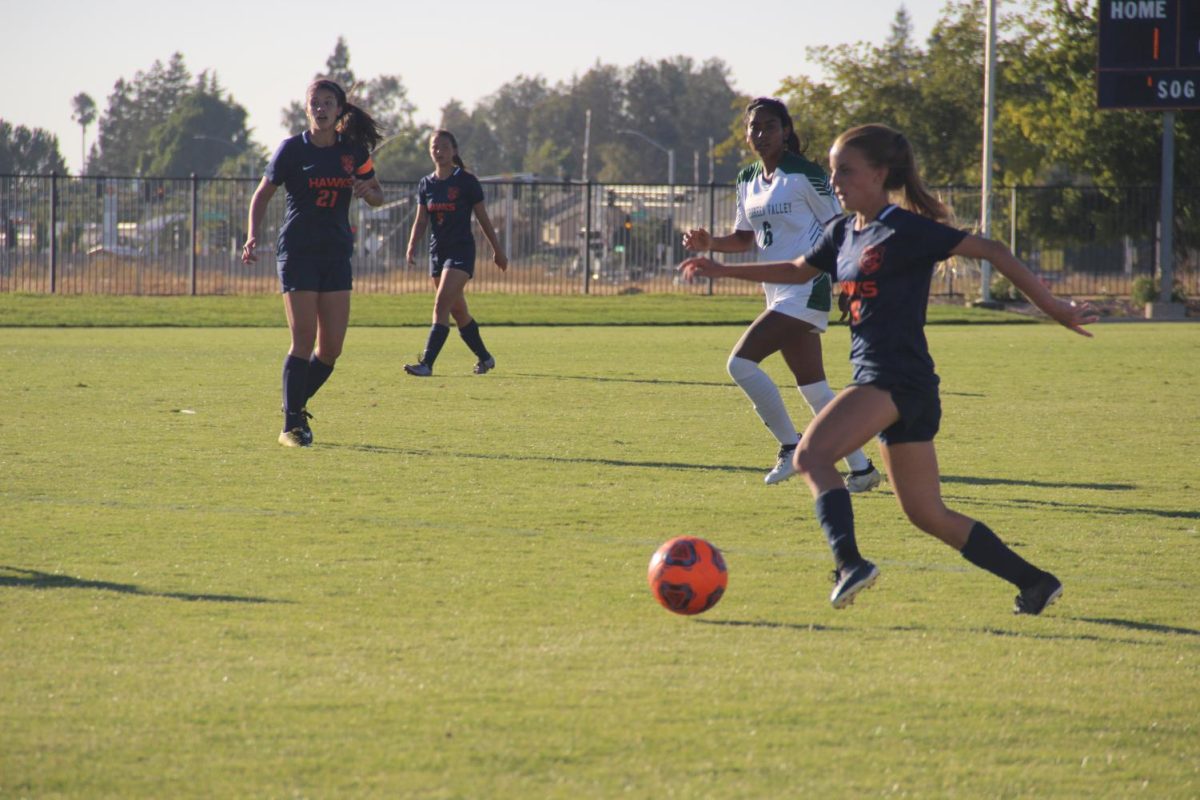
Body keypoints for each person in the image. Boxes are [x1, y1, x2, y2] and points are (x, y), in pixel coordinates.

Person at [681, 123, 1098, 614]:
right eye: (834, 171)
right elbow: (797, 271)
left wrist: (1054, 308)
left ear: (880, 173)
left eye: (846, 171)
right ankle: (1035, 581)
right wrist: (723, 268)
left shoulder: (905, 229)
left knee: (811, 457)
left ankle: (850, 564)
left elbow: (992, 250)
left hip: (893, 379)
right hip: (903, 385)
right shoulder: (841, 232)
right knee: (926, 513)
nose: (836, 180)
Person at [682, 98, 881, 490]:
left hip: (808, 286)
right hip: (776, 290)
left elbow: (840, 229)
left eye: (769, 126)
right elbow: (744, 240)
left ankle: (791, 446)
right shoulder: (746, 179)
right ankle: (862, 469)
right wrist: (710, 242)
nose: (760, 134)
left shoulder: (805, 174)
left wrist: (848, 282)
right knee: (814, 388)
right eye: (754, 128)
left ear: (786, 130)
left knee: (739, 365)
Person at [242, 78, 385, 447]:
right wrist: (252, 234)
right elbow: (262, 195)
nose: (321, 108)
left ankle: (294, 406)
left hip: (336, 252)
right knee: (303, 339)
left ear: (340, 110)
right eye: (315, 102)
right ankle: (292, 425)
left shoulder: (353, 151)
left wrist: (369, 191)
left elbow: (377, 196)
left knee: (331, 349)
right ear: (307, 109)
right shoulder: (292, 149)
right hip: (298, 251)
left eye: (328, 102)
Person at [404, 130, 508, 376]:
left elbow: (483, 218)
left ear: (454, 151)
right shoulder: (426, 184)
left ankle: (427, 363)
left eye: (444, 147)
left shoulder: (466, 181)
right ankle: (485, 358)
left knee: (441, 304)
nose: (439, 152)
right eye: (434, 147)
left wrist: (497, 250)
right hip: (437, 253)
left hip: (461, 252)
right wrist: (411, 246)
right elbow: (420, 221)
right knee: (458, 311)